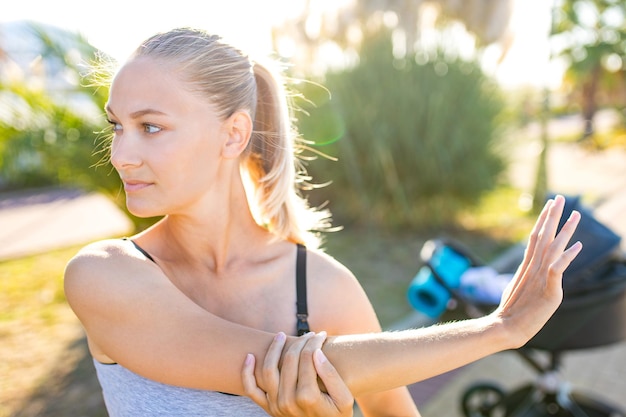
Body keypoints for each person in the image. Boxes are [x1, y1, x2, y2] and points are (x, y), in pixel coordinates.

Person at [64, 27, 582, 417]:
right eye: (118, 126)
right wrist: (499, 330)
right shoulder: (104, 274)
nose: (122, 154)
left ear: (232, 134)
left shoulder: (324, 288)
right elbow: (275, 362)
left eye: (150, 127)